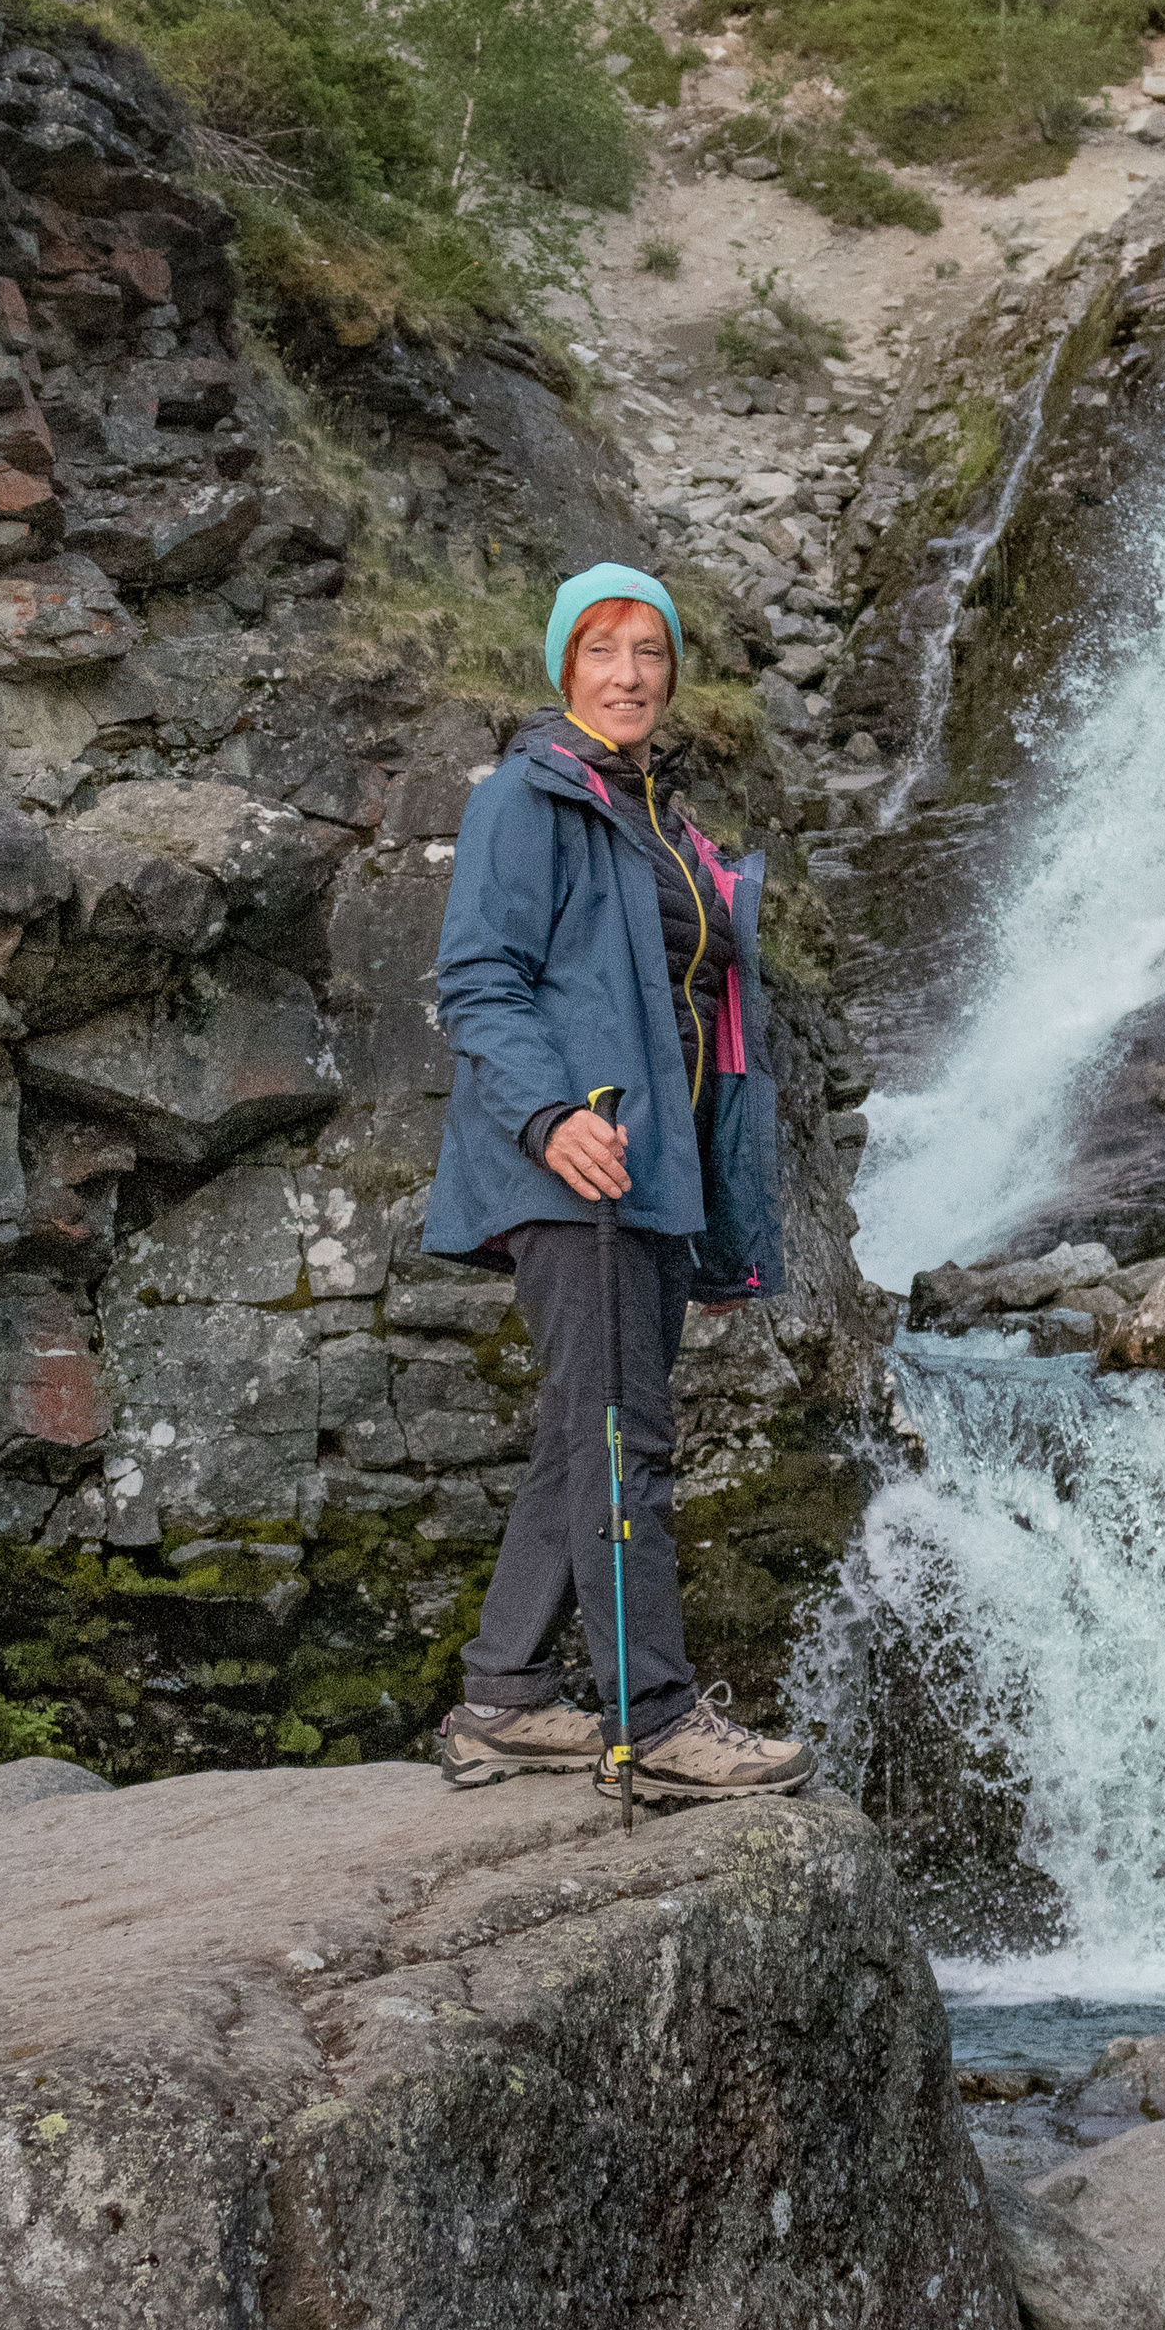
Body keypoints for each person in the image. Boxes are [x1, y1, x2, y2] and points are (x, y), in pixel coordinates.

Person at [423, 561, 815, 1798]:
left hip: (650, 1170)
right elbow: (480, 978)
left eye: (649, 650)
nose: (630, 673)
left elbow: (700, 1024)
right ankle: (653, 1722)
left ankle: (502, 1695)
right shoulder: (529, 798)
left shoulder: (657, 816)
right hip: (572, 1164)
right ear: (562, 666)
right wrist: (547, 1118)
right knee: (620, 1434)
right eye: (603, 648)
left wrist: (716, 1214)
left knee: (579, 1431)